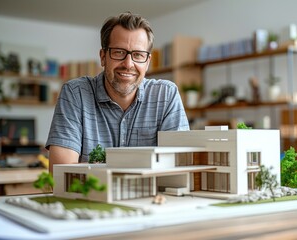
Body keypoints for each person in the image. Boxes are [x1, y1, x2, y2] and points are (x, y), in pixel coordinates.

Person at [46, 12, 190, 173]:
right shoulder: (75, 94)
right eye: (119, 52)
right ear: (103, 57)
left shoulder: (166, 95)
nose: (128, 64)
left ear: (147, 62)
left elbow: (179, 170)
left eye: (138, 55)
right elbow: (61, 177)